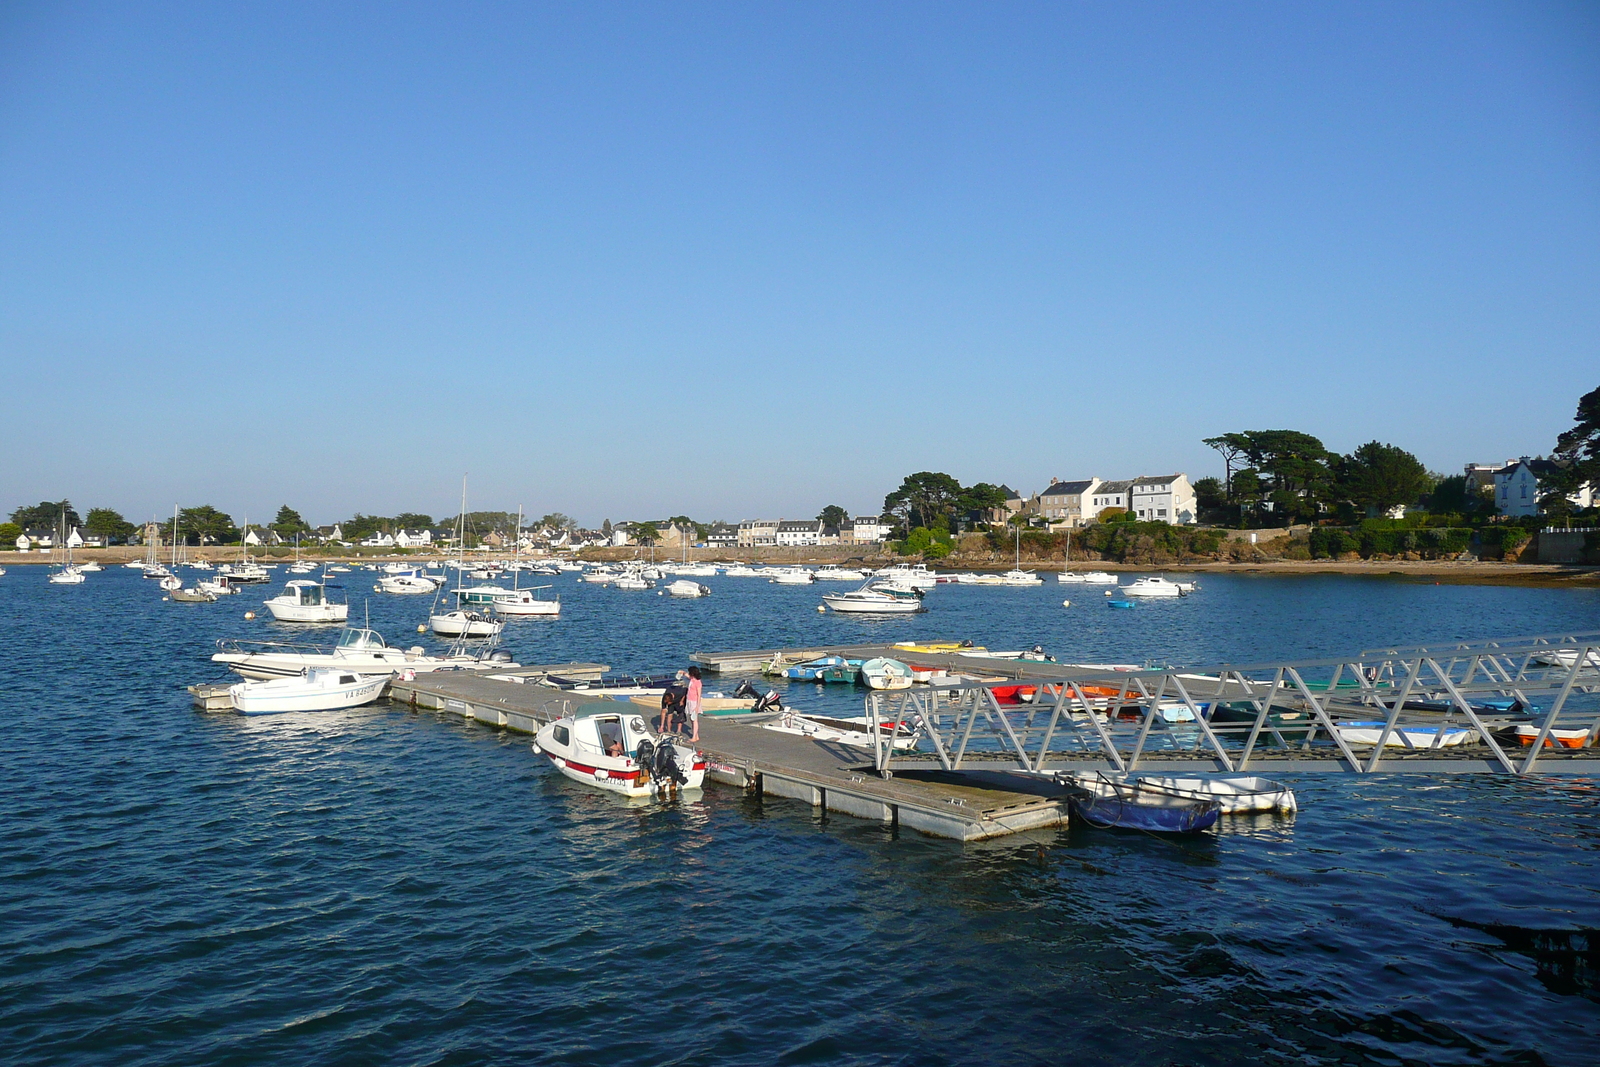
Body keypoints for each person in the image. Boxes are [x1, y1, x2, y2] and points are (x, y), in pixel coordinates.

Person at [685, 665, 703, 742]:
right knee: (691, 719)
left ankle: (694, 737)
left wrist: (697, 707)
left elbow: (699, 695)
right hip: (689, 700)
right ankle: (696, 735)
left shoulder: (698, 683)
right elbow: (687, 675)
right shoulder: (692, 679)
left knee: (694, 720)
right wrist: (682, 673)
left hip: (694, 702)